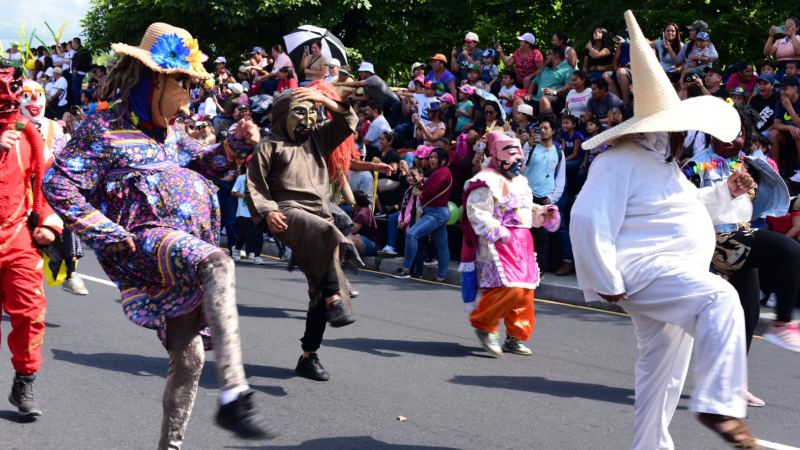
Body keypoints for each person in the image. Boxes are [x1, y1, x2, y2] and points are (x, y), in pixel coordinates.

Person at [42, 23, 277, 446]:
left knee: (189, 359)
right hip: (147, 239)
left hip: (183, 248)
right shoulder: (101, 129)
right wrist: (104, 230)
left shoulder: (170, 135)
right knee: (219, 263)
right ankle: (235, 391)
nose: (189, 94)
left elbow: (202, 170)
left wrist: (235, 148)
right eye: (183, 82)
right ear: (154, 79)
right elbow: (56, 182)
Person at [570, 11, 757, 449]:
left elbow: (688, 213)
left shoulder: (666, 167)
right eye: (679, 127)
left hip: (669, 271)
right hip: (646, 270)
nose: (686, 134)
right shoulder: (617, 161)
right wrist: (605, 279)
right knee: (721, 297)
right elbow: (586, 218)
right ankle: (720, 405)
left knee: (662, 373)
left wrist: (726, 190)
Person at [246, 84, 362, 382]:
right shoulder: (268, 147)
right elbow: (256, 187)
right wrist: (268, 211)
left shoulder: (319, 141)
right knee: (325, 231)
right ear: (282, 115)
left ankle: (309, 356)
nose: (309, 118)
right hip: (288, 213)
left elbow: (348, 121)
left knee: (318, 296)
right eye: (300, 111)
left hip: (320, 216)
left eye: (313, 113)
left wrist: (325, 99)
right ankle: (333, 296)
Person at [0, 62, 64, 417]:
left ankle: (24, 380)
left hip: (17, 238)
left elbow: (47, 186)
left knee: (30, 313)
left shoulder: (29, 136)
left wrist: (50, 223)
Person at [460, 131, 560, 356]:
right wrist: (497, 231)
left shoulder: (521, 182)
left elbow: (524, 210)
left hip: (523, 244)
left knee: (525, 292)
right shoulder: (485, 181)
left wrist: (542, 212)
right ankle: (485, 325)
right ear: (496, 155)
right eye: (511, 154)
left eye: (519, 155)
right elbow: (477, 212)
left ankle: (515, 336)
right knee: (509, 288)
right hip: (498, 244)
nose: (518, 159)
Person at [19, 79, 88, 296]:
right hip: (19, 187)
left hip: (48, 185)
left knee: (67, 219)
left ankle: (71, 272)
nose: (34, 100)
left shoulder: (53, 128)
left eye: (38, 94)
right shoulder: (12, 124)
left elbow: (63, 158)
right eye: (27, 95)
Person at [392, 147, 453, 281]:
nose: (432, 159)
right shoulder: (439, 172)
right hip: (438, 212)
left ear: (443, 160)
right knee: (442, 245)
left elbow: (429, 192)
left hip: (436, 213)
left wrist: (418, 193)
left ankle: (406, 269)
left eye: (436, 157)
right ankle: (441, 276)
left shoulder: (441, 172)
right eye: (431, 157)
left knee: (412, 234)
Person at [524, 116, 565, 271]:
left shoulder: (559, 153)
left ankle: (538, 270)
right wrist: (527, 146)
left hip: (545, 199)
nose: (542, 130)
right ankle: (524, 268)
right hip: (528, 196)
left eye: (546, 128)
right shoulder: (532, 147)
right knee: (525, 233)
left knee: (542, 238)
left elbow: (561, 179)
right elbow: (519, 166)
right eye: (540, 128)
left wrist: (552, 198)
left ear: (553, 131)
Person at [338, 62, 402, 127]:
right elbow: (366, 97)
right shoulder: (366, 84)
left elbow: (358, 84)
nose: (359, 74)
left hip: (393, 104)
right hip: (384, 105)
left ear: (368, 72)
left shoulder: (374, 78)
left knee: (390, 126)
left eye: (361, 72)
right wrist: (355, 97)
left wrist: (341, 84)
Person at [231, 162, 264, 264]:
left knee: (258, 233)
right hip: (244, 211)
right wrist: (245, 196)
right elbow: (233, 192)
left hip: (258, 211)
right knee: (245, 234)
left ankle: (257, 255)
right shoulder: (241, 178)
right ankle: (237, 249)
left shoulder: (260, 178)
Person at [769, 74, 800, 180]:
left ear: (795, 88)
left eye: (785, 89)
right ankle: (775, 170)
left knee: (799, 133)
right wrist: (790, 128)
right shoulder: (780, 102)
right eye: (781, 89)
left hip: (798, 135)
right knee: (773, 134)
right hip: (787, 135)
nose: (782, 92)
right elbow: (776, 124)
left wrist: (789, 108)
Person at [530, 47, 574, 115]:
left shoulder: (567, 69)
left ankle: (551, 122)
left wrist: (554, 92)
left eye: (549, 54)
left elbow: (569, 86)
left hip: (556, 99)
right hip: (536, 99)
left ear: (556, 55)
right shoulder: (546, 68)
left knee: (544, 99)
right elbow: (533, 82)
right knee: (518, 100)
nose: (546, 56)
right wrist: (529, 93)